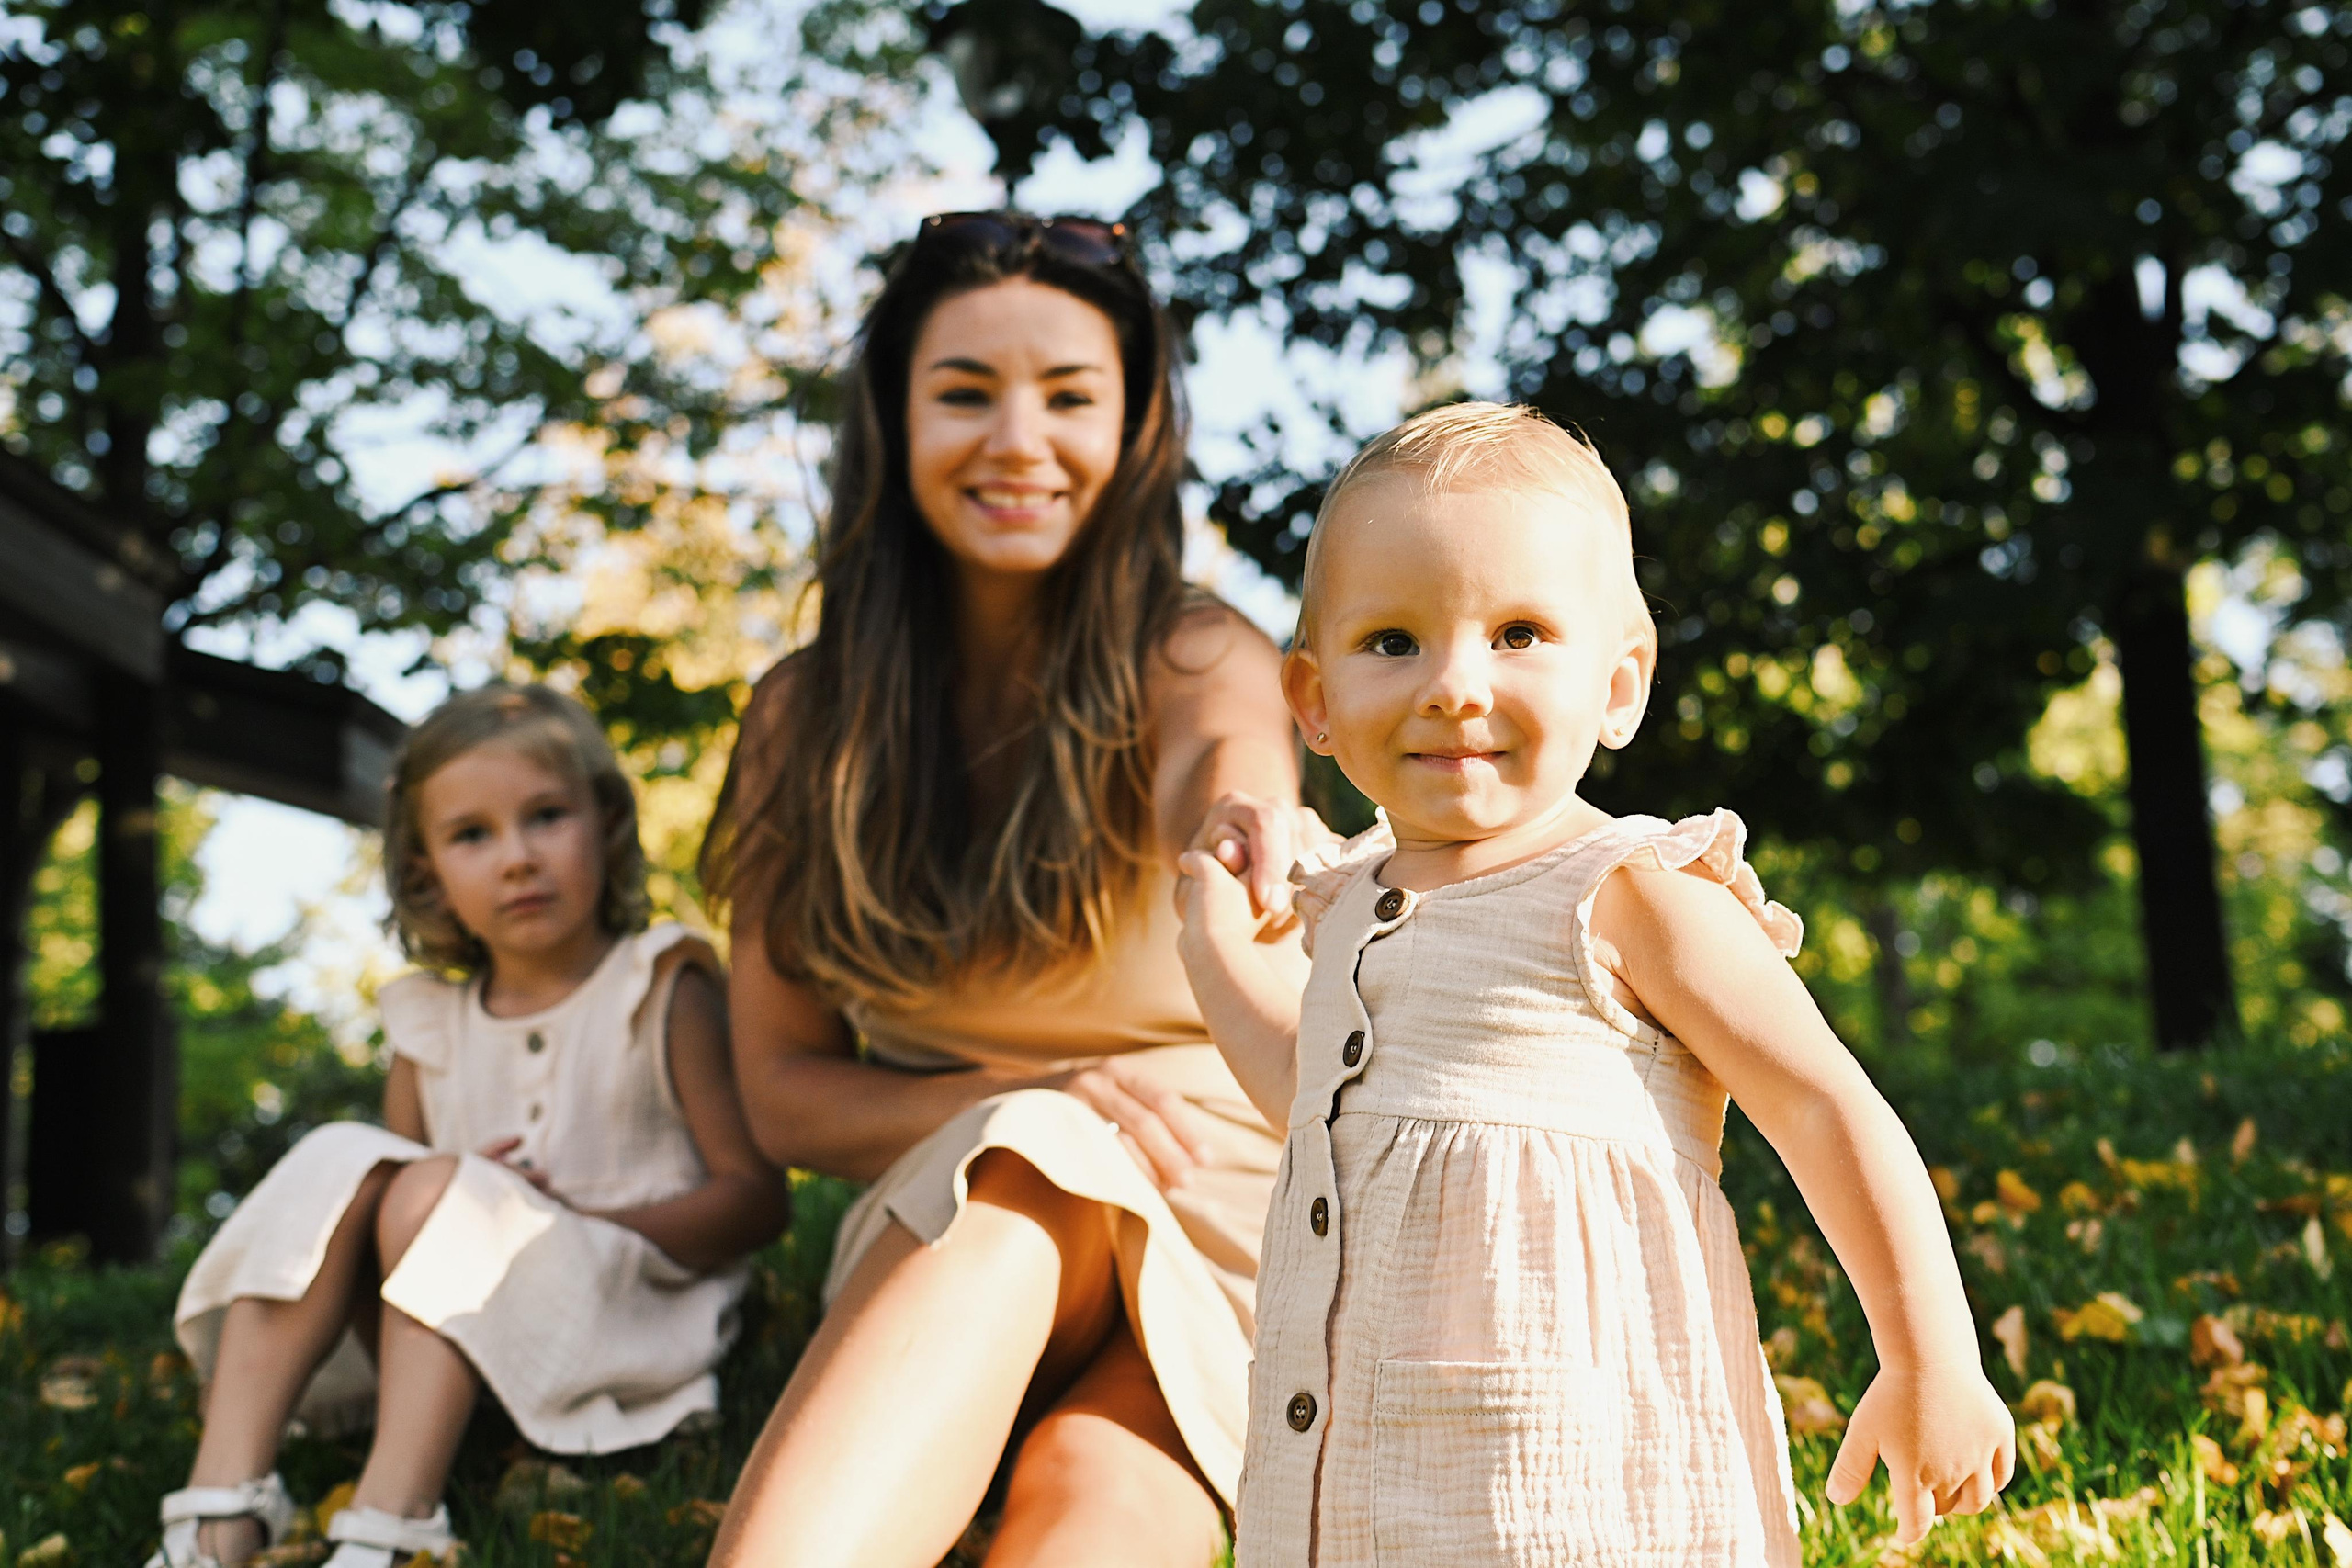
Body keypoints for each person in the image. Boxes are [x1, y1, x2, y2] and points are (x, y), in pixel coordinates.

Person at [1174, 401, 2016, 1565]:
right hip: (1359, 1476)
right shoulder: (1345, 903)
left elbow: (1824, 1106)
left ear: (1619, 685)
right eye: (1392, 642)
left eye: (1517, 634)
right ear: (1312, 701)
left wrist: (1928, 1355)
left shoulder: (1626, 890)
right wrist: (1217, 952)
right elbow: (1316, 1112)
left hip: (1577, 1474)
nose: (1453, 684)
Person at [704, 211, 1321, 1568]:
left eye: (1070, 397)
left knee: (1092, 1504)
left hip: (1223, 1214)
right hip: (957, 1216)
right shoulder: (804, 721)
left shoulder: (1200, 652)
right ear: (892, 418)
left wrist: (1241, 821)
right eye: (965, 393)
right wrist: (1023, 1100)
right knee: (1029, 1161)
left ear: (1136, 427)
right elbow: (786, 1090)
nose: (1018, 441)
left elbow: (1236, 780)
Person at [152, 684, 790, 1568]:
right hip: (453, 1344)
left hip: (626, 1313)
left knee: (443, 1188)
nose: (518, 858)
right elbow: (393, 1217)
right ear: (427, 872)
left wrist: (558, 1218)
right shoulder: (428, 1026)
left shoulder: (658, 987)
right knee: (353, 1157)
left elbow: (758, 1202)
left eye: (546, 817)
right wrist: (465, 1196)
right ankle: (220, 1511)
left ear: (604, 824)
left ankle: (396, 1513)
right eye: (473, 835)